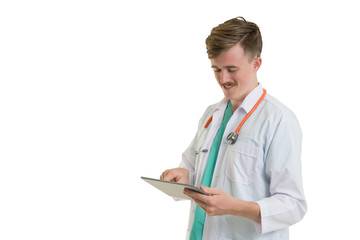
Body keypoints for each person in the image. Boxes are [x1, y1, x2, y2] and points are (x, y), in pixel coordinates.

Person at [160, 17, 307, 240]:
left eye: (231, 69)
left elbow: (293, 204)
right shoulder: (211, 115)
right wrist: (183, 176)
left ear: (256, 63)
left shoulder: (278, 120)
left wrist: (235, 207)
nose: (223, 79)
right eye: (216, 69)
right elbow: (192, 170)